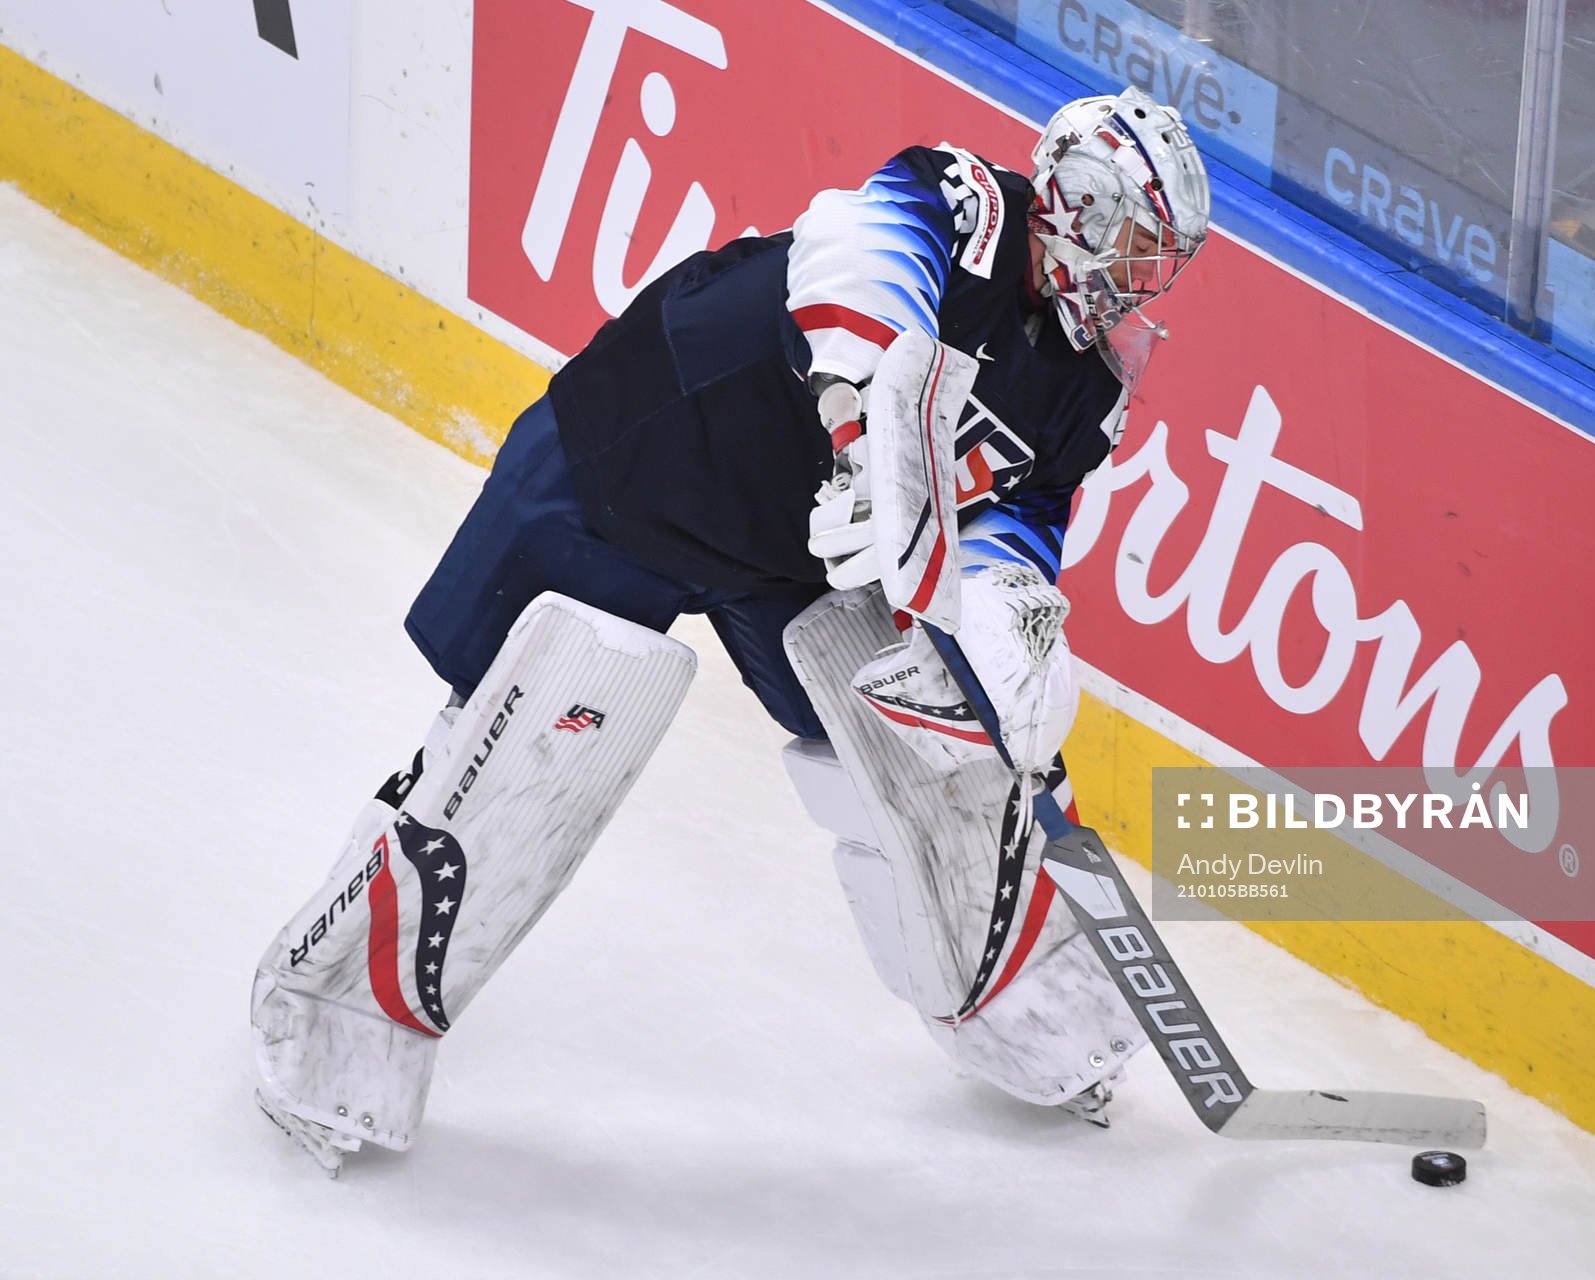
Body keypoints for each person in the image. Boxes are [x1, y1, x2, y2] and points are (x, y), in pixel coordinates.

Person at [249, 86, 1211, 1174]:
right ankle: (331, 1010)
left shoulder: (1083, 390)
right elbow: (855, 262)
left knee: (937, 751)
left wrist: (1012, 648)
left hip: (799, 548)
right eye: (1137, 244)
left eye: (1163, 258)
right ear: (1074, 208)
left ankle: (1028, 1009)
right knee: (529, 747)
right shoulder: (968, 202)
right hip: (655, 448)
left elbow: (1017, 526)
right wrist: (856, 427)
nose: (1146, 279)